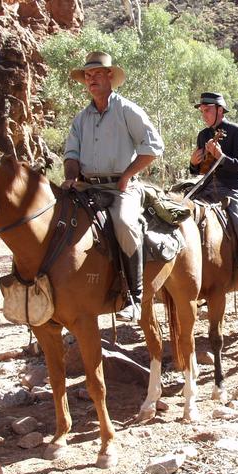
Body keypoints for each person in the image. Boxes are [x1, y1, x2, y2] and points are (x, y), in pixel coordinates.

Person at [62, 51, 164, 322]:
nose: (91, 79)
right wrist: (71, 177)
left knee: (123, 223)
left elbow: (154, 147)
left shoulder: (126, 110)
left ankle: (134, 296)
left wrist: (128, 174)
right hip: (88, 187)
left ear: (110, 76)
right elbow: (71, 154)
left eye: (97, 74)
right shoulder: (81, 118)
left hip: (122, 187)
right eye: (87, 75)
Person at [189, 92, 238, 296]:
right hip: (206, 188)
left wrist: (221, 157)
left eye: (207, 110)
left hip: (233, 188)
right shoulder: (203, 135)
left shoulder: (237, 132)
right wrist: (193, 164)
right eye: (202, 111)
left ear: (220, 110)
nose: (204, 114)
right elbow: (201, 170)